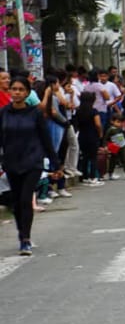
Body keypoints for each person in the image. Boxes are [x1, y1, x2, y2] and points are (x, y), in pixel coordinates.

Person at [0, 75, 63, 254]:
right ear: (10, 91)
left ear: (28, 93)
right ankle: (22, 234)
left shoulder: (35, 114)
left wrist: (56, 164)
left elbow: (46, 139)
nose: (17, 93)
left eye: (21, 90)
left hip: (32, 161)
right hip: (11, 162)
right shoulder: (3, 113)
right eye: (14, 89)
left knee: (26, 199)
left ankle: (26, 239)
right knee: (17, 201)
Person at [72, 92, 104, 185]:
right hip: (92, 135)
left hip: (82, 135)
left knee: (85, 156)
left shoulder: (78, 111)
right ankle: (93, 177)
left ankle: (84, 176)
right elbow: (98, 124)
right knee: (93, 157)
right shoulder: (94, 111)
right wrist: (100, 133)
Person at [103, 112, 125, 181]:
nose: (119, 124)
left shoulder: (121, 129)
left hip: (122, 146)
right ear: (112, 121)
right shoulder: (110, 130)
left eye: (121, 122)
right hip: (114, 147)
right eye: (118, 122)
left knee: (124, 159)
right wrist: (105, 146)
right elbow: (106, 138)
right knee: (113, 160)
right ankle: (110, 173)